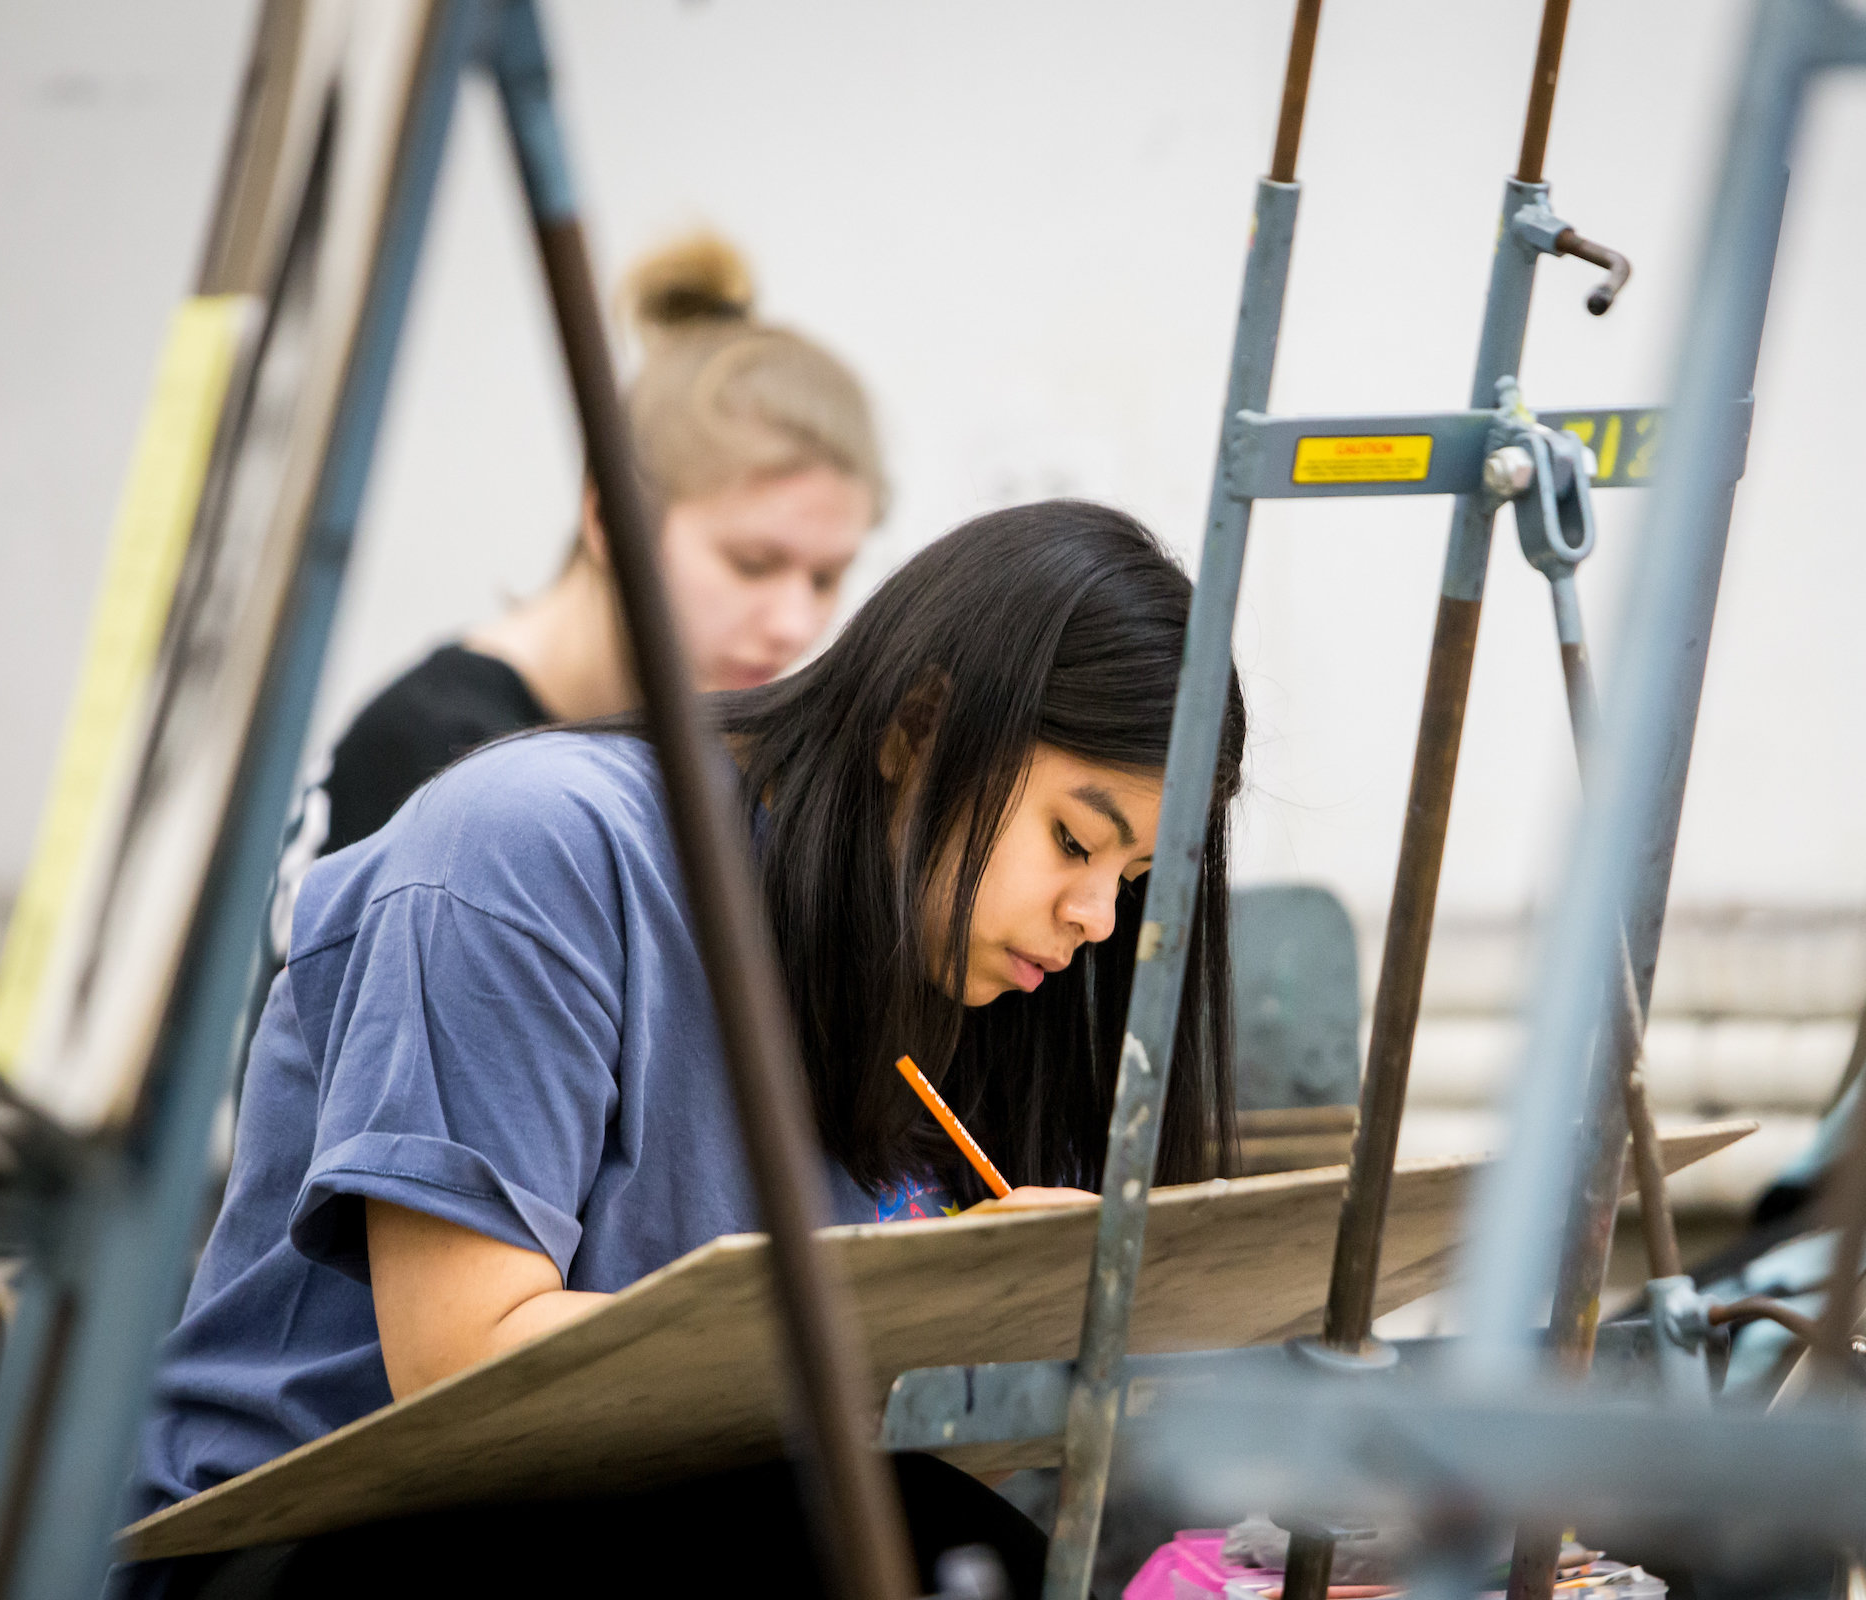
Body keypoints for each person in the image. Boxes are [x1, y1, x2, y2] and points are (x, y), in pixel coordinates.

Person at [124, 501, 1247, 1597]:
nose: (1098, 916)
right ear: (919, 729)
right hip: (316, 1533)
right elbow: (470, 1366)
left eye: (1132, 881)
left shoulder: (938, 962)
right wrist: (900, 1317)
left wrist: (1002, 1331)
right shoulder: (534, 846)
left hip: (648, 1503)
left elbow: (864, 1439)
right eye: (1073, 841)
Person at [306, 231, 884, 864]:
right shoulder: (442, 759)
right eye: (751, 565)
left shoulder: (715, 765)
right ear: (608, 517)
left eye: (826, 578)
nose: (793, 625)